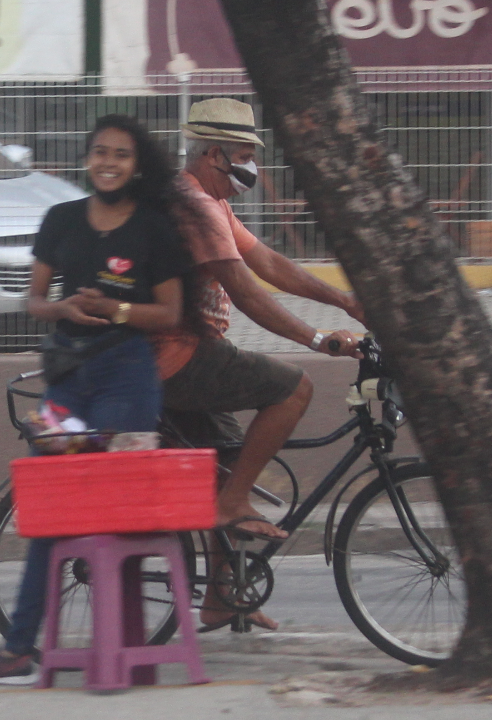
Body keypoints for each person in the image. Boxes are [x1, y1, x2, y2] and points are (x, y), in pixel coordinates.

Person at [153, 97, 364, 632]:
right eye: (245, 156)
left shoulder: (209, 201)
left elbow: (268, 262)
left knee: (227, 466)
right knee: (294, 388)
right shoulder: (195, 206)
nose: (251, 168)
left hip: (185, 356)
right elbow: (247, 291)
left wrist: (343, 300)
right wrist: (317, 339)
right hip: (180, 354)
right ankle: (234, 502)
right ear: (214, 154)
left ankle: (222, 597)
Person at [0, 114, 191, 684]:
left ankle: (122, 650)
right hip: (67, 381)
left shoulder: (154, 227)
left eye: (121, 155)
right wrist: (63, 308)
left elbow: (170, 313)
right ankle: (20, 648)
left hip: (128, 380)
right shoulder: (60, 218)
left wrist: (116, 310)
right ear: (88, 159)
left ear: (136, 166)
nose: (109, 163)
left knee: (116, 515)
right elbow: (35, 301)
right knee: (46, 509)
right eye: (101, 152)